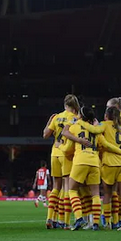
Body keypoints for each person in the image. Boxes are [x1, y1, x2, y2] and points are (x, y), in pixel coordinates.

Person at [58, 106, 121, 231]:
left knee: (72, 190)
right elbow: (106, 145)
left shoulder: (75, 127)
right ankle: (95, 223)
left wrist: (60, 147)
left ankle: (79, 218)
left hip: (80, 161)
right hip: (95, 163)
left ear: (81, 116)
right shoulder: (96, 131)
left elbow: (67, 144)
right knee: (95, 194)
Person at [42, 94, 89, 229]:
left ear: (64, 105)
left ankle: (50, 218)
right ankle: (65, 221)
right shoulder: (74, 118)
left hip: (54, 154)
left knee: (56, 187)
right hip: (66, 154)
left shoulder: (56, 117)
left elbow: (45, 135)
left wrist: (49, 121)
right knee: (68, 188)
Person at [97, 107, 121, 231]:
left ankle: (107, 222)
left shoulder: (104, 125)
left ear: (107, 115)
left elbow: (99, 135)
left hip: (110, 163)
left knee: (107, 193)